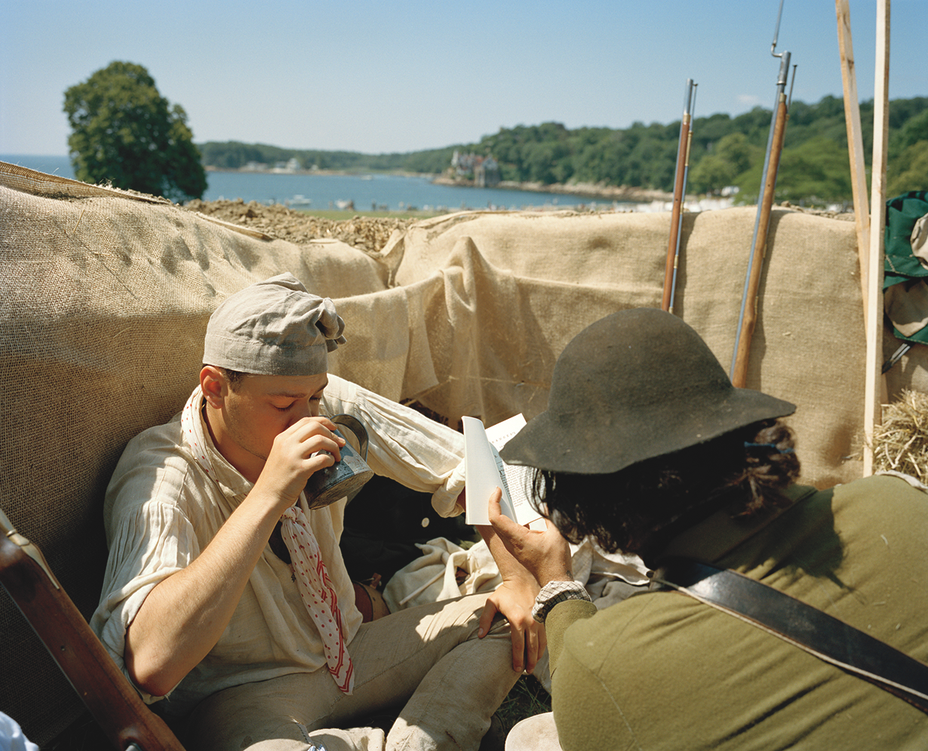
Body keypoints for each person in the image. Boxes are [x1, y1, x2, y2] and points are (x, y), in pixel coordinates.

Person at [91, 273, 543, 751]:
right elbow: (150, 664)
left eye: (314, 397)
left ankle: (417, 742)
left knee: (521, 612)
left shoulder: (321, 404)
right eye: (284, 404)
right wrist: (268, 495)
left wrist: (515, 580)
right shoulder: (163, 476)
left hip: (353, 649)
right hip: (247, 694)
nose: (305, 419)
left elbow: (471, 459)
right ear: (216, 387)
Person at [489, 307, 928, 750]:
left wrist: (557, 583)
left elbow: (577, 694)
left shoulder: (608, 666)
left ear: (594, 501)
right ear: (735, 427)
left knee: (529, 739)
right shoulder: (903, 499)